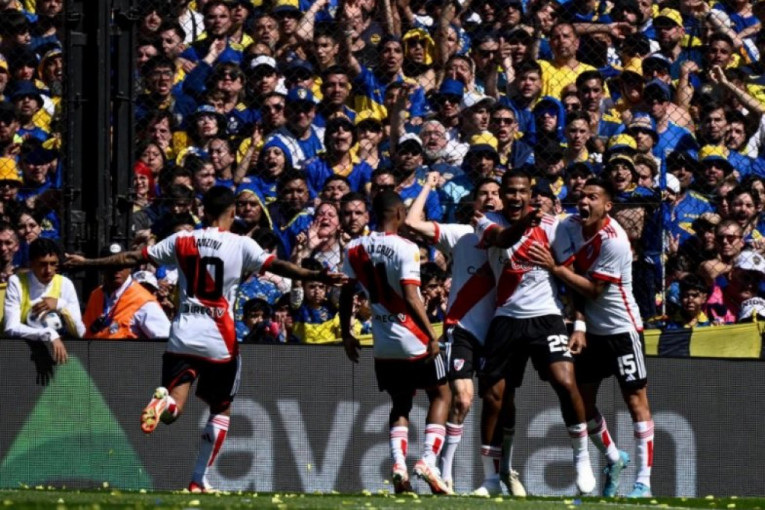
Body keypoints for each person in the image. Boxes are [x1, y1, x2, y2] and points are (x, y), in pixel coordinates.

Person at [65, 186, 346, 493]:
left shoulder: (182, 240)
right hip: (219, 341)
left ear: (204, 212)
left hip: (183, 335)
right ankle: (199, 478)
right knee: (221, 408)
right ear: (232, 212)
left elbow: (132, 257)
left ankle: (164, 402)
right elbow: (277, 266)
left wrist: (86, 263)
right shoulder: (241, 244)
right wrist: (315, 275)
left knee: (175, 409)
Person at [472, 169, 596, 496]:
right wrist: (526, 224)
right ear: (502, 194)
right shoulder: (487, 221)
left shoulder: (553, 226)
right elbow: (503, 239)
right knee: (494, 398)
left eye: (522, 191)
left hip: (546, 317)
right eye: (510, 191)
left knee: (565, 381)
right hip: (506, 319)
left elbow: (571, 274)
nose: (516, 197)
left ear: (531, 194)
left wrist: (579, 324)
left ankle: (582, 458)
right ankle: (490, 478)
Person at [528, 177, 654, 498]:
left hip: (622, 330)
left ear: (607, 206)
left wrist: (555, 269)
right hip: (589, 333)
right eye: (582, 196)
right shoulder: (568, 226)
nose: (584, 201)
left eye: (593, 197)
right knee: (581, 404)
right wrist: (581, 326)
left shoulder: (615, 241)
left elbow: (594, 290)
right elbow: (571, 276)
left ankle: (643, 482)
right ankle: (614, 458)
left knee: (635, 400)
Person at [405, 173, 526, 495]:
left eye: (496, 193)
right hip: (463, 329)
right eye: (484, 193)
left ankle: (506, 470)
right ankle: (444, 474)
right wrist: (429, 184)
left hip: (501, 330)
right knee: (462, 398)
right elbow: (412, 222)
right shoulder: (459, 235)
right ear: (475, 202)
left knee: (504, 403)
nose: (490, 198)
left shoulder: (515, 237)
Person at [339, 190, 453, 495]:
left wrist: (346, 333)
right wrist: (431, 335)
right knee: (442, 395)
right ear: (400, 214)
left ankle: (399, 465)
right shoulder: (406, 247)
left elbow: (347, 293)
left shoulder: (354, 247)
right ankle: (428, 460)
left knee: (400, 402)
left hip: (383, 342)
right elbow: (412, 297)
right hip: (412, 336)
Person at [4, 238, 85, 364]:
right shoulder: (17, 282)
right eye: (42, 264)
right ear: (31, 263)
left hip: (59, 356)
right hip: (21, 355)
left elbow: (80, 331)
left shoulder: (65, 284)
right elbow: (11, 327)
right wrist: (49, 334)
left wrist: (60, 305)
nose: (49, 270)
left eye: (53, 264)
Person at [82, 242, 171, 339]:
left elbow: (164, 339)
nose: (116, 270)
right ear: (102, 268)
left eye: (121, 264)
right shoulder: (96, 295)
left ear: (129, 267)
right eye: (111, 265)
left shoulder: (143, 301)